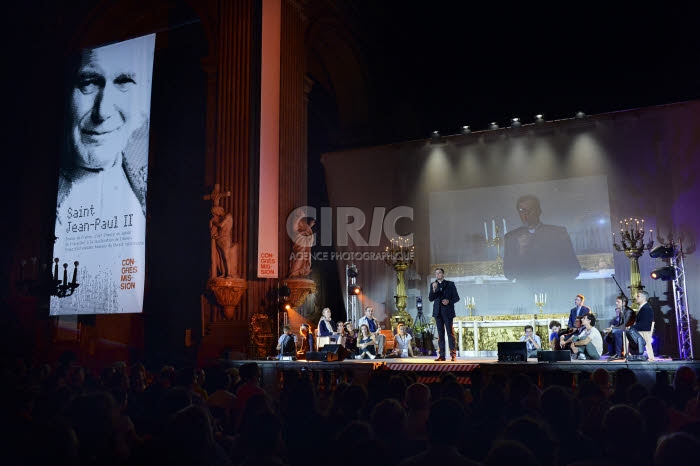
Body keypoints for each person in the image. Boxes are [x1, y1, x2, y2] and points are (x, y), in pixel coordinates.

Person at [56, 35, 154, 224]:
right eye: (88, 83)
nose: (102, 112)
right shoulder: (33, 201)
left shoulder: (150, 189)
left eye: (123, 82)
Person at [503, 194, 581, 281]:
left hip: (555, 290)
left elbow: (574, 269)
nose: (526, 214)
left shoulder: (558, 233)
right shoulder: (511, 238)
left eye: (530, 209)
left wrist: (556, 278)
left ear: (539, 211)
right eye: (522, 210)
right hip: (525, 292)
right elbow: (508, 274)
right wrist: (521, 252)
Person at [428, 268, 460, 361]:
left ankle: (453, 355)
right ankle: (441, 356)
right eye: (436, 273)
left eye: (439, 273)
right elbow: (431, 298)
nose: (437, 275)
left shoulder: (450, 284)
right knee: (440, 335)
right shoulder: (433, 284)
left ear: (443, 274)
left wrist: (449, 301)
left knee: (450, 333)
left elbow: (457, 298)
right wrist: (434, 289)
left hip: (448, 312)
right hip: (438, 312)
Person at [210, 206, 240, 278]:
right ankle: (224, 273)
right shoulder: (220, 218)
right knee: (221, 257)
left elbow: (221, 225)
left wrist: (213, 222)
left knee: (226, 256)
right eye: (214, 214)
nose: (216, 214)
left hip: (225, 238)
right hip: (219, 238)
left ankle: (229, 273)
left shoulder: (228, 216)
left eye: (216, 213)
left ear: (219, 210)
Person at [604, 295, 635, 360]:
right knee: (608, 335)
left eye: (618, 302)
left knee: (616, 332)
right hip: (623, 329)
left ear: (623, 303)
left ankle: (619, 354)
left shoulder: (628, 311)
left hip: (630, 330)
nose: (616, 303)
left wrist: (613, 329)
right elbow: (619, 324)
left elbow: (625, 325)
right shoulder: (621, 311)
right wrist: (611, 329)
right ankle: (613, 352)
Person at [626, 290, 655, 360]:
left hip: (644, 330)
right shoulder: (644, 307)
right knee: (627, 332)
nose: (636, 298)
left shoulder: (646, 308)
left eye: (638, 296)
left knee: (628, 332)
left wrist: (631, 327)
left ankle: (629, 354)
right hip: (642, 328)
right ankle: (632, 354)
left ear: (643, 298)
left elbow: (644, 323)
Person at [288, 211, 316, 278]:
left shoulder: (303, 223)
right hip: (299, 240)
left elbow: (308, 232)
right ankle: (294, 273)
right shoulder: (296, 220)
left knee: (305, 257)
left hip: (304, 241)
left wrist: (309, 226)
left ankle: (301, 272)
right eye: (301, 213)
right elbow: (295, 231)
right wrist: (307, 228)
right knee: (299, 256)